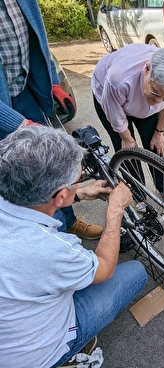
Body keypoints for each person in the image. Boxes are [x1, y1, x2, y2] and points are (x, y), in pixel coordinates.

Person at [0, 125, 147, 368]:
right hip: (34, 356)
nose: (81, 183)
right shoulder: (51, 249)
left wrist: (78, 193)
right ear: (59, 196)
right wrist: (115, 211)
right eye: (78, 180)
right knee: (136, 272)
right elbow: (104, 267)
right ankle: (69, 348)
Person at [0, 0, 102, 239]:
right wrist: (19, 124)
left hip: (25, 91)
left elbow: (39, 39)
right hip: (3, 102)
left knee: (53, 165)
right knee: (17, 177)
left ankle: (67, 221)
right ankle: (43, 239)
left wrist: (53, 82)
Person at [92, 43, 164, 208]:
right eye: (155, 92)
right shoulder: (119, 78)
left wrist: (159, 132)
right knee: (128, 151)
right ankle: (139, 193)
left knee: (156, 145)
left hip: (138, 94)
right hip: (111, 99)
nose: (158, 102)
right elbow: (114, 114)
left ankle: (163, 188)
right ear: (147, 70)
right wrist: (126, 137)